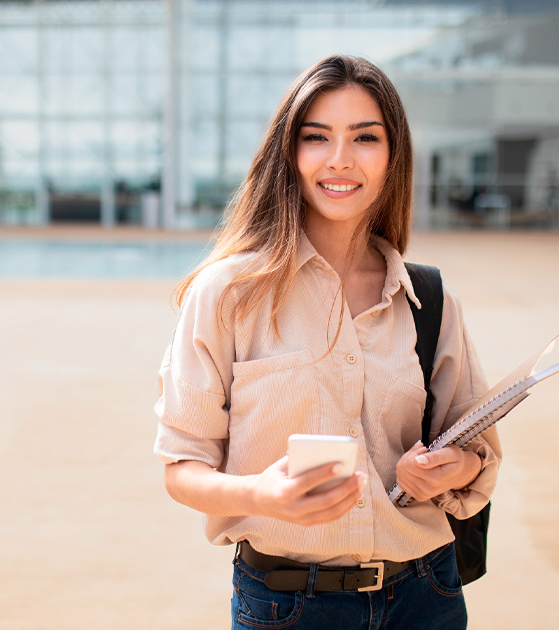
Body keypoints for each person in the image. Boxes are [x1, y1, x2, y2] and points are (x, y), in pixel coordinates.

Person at [154, 54, 502, 630]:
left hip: (426, 595)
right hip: (288, 605)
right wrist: (259, 495)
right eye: (317, 137)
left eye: (365, 137)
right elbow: (182, 467)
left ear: (393, 156)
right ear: (289, 153)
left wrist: (448, 469)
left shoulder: (429, 298)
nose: (339, 159)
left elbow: (477, 453)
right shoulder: (227, 294)